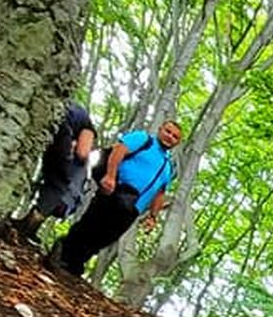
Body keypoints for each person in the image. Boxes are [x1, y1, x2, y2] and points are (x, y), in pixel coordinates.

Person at [50, 120, 181, 277]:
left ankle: (75, 262)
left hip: (133, 208)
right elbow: (119, 151)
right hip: (116, 189)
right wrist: (110, 176)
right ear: (160, 129)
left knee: (107, 236)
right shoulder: (143, 139)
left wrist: (153, 216)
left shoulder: (168, 166)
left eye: (175, 136)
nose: (170, 137)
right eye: (168, 131)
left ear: (177, 142)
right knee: (92, 224)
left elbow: (160, 192)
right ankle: (62, 252)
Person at [17, 100, 95, 242]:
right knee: (59, 183)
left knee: (51, 177)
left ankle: (26, 223)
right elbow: (82, 152)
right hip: (63, 132)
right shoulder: (88, 126)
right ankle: (28, 227)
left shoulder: (68, 105)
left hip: (46, 122)